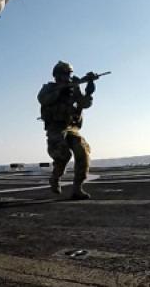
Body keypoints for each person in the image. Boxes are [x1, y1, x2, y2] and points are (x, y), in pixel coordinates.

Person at [37, 61, 96, 200]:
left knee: (83, 152)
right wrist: (59, 90)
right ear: (56, 76)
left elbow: (84, 104)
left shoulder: (73, 88)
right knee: (63, 155)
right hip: (55, 127)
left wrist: (89, 88)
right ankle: (55, 178)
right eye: (64, 74)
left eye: (68, 74)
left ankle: (77, 188)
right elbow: (43, 99)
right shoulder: (48, 88)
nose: (67, 77)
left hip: (71, 127)